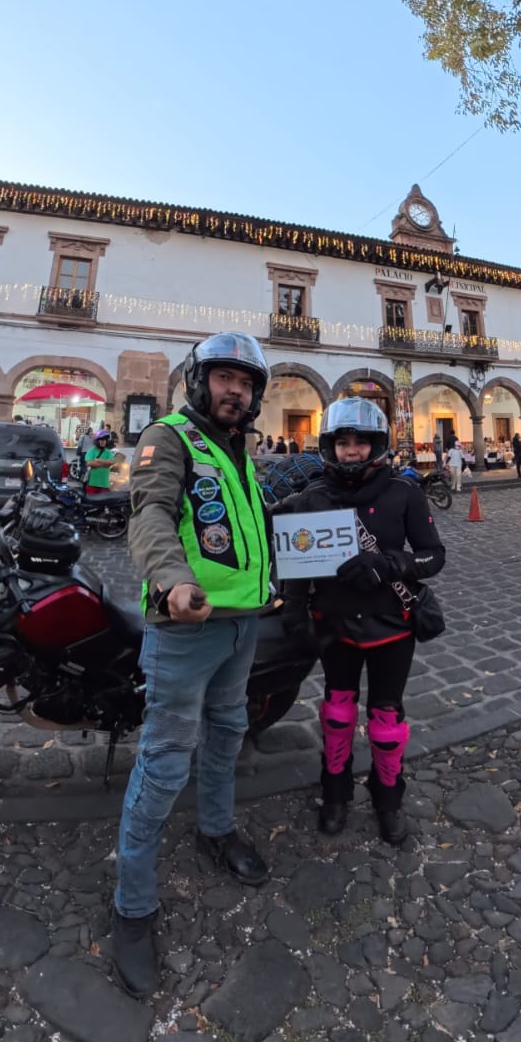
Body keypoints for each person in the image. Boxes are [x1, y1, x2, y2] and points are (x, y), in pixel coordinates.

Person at [113, 332, 272, 997]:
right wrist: (174, 581)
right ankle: (132, 905)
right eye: (223, 377)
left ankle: (216, 829)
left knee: (228, 732)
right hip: (188, 625)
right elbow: (149, 512)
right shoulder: (168, 435)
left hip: (243, 626)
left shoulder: (239, 450)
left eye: (245, 380)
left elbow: (248, 526)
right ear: (196, 379)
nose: (234, 389)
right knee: (164, 758)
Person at [279, 398, 445, 847]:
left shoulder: (404, 493)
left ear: (378, 446)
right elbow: (297, 565)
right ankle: (335, 790)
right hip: (335, 628)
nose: (351, 452)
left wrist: (391, 564)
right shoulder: (313, 498)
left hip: (392, 625)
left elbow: (433, 556)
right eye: (343, 443)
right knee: (336, 712)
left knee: (386, 717)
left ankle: (388, 794)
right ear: (330, 448)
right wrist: (294, 614)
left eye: (361, 443)